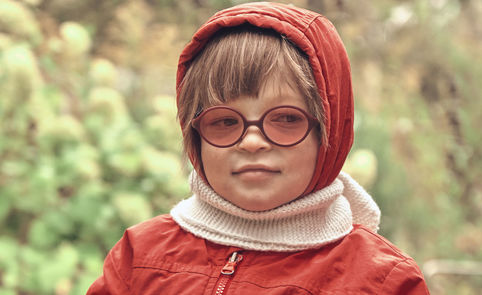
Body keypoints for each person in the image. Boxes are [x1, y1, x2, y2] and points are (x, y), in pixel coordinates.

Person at [87, 2, 430, 294]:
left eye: (285, 119)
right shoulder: (141, 256)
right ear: (195, 136)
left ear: (330, 133)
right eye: (224, 122)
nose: (251, 141)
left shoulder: (380, 280)